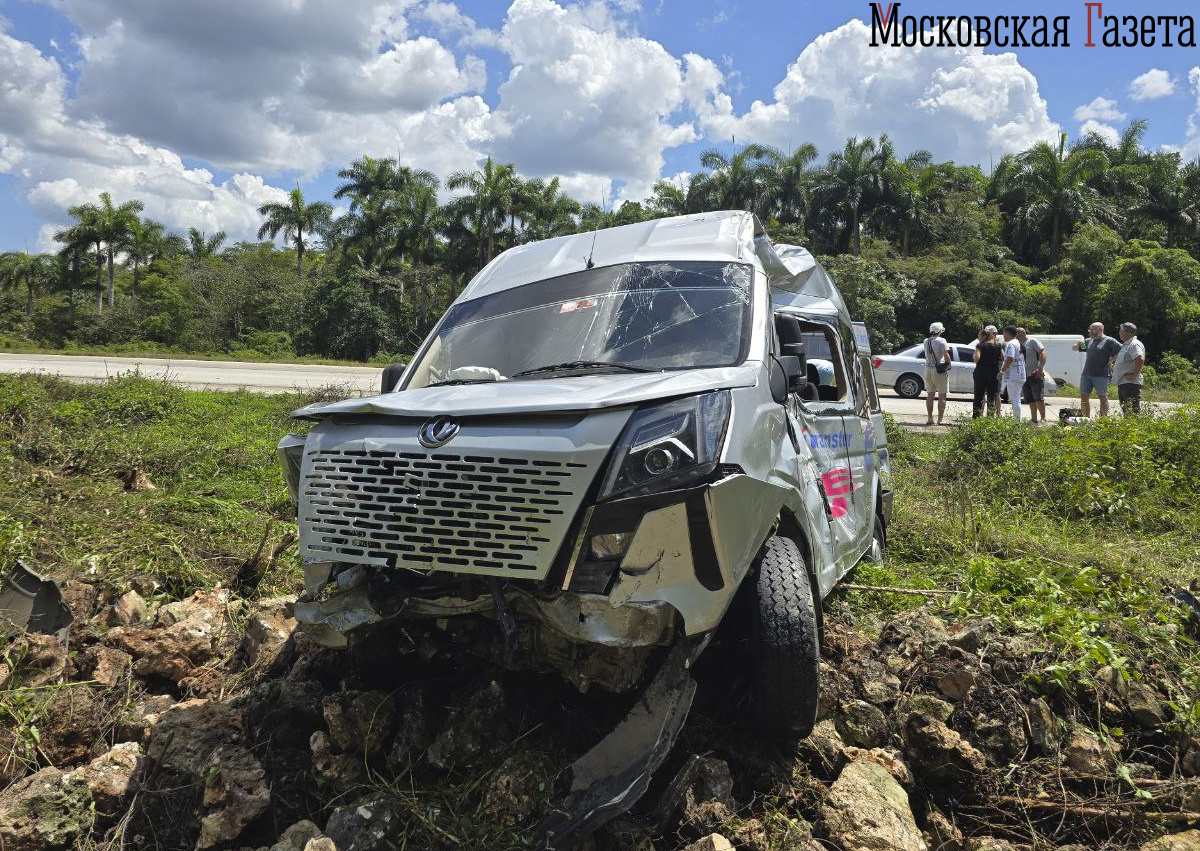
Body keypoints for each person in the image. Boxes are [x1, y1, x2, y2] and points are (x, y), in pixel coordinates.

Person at [1072, 322, 1122, 417]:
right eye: (1089, 330)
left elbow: (1122, 350)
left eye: (1093, 330)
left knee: (1102, 397)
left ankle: (1102, 420)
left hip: (1101, 374)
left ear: (1100, 330)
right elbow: (1074, 348)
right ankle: (1086, 419)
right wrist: (1077, 346)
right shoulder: (1089, 341)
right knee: (1083, 397)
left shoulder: (1109, 341)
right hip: (1086, 374)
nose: (1090, 332)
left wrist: (1111, 360)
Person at [1112, 322, 1146, 414]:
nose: (1119, 332)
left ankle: (1135, 428)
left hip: (1130, 383)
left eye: (1121, 330)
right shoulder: (1126, 345)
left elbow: (1140, 358)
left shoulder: (1134, 344)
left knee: (1132, 411)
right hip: (1123, 382)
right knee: (1126, 410)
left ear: (1129, 333)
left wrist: (1135, 374)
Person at [1016, 328, 1047, 424]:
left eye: (1016, 333)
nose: (1015, 335)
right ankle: (1034, 420)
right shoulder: (1017, 344)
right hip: (1024, 376)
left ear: (1021, 333)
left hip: (1035, 374)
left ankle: (1043, 419)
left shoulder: (1032, 341)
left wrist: (1040, 368)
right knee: (1030, 399)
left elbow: (1043, 352)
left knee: (1038, 398)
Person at [924, 321, 951, 426]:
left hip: (927, 370)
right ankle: (940, 419)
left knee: (930, 394)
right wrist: (948, 364)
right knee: (942, 395)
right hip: (938, 371)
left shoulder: (926, 341)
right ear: (940, 330)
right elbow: (946, 356)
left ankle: (930, 418)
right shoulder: (942, 341)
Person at [971, 327, 1002, 417]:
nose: (978, 338)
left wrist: (974, 356)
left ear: (984, 336)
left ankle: (976, 417)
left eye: (979, 336)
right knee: (991, 396)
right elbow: (1003, 357)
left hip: (981, 372)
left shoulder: (980, 346)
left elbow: (977, 359)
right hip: (994, 373)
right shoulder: (998, 345)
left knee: (978, 395)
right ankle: (990, 418)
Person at [999, 326, 1026, 421]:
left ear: (1007, 333)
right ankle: (1016, 420)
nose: (1003, 336)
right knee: (1015, 399)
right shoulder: (1017, 342)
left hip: (1014, 376)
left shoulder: (1010, 344)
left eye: (1004, 333)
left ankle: (1016, 422)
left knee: (1015, 400)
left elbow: (1010, 358)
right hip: (1019, 374)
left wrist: (1001, 371)